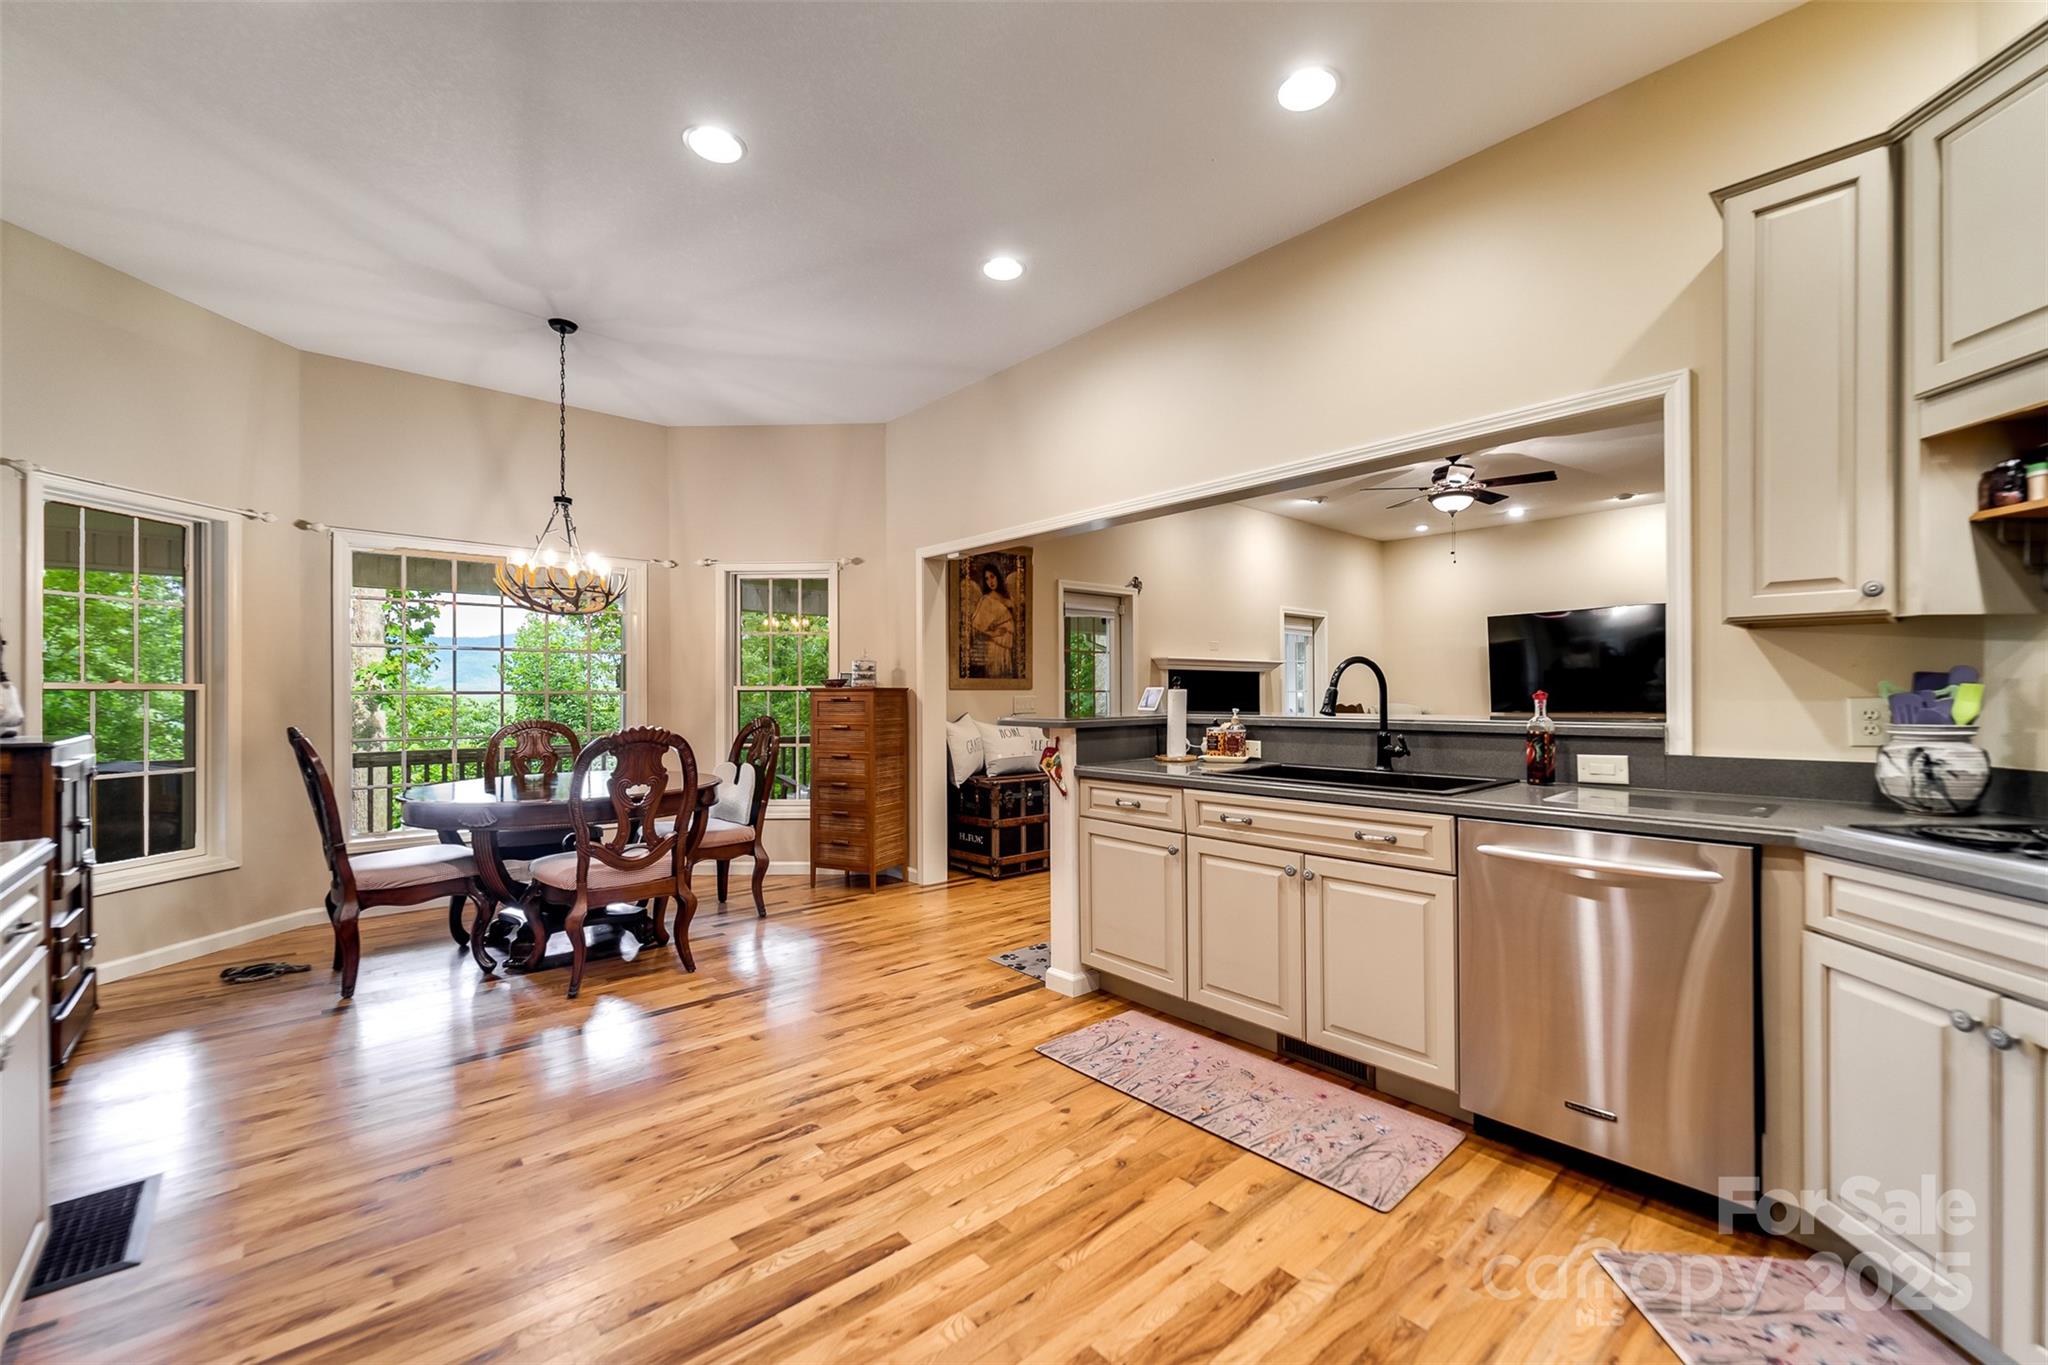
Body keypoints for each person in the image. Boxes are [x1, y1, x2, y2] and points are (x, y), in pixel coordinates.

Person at [968, 563, 1017, 677]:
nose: (990, 581)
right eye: (987, 579)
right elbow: (975, 624)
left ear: (997, 576)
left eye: (992, 576)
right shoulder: (987, 600)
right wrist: (993, 633)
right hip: (995, 645)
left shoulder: (1007, 597)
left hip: (1007, 644)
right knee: (996, 672)